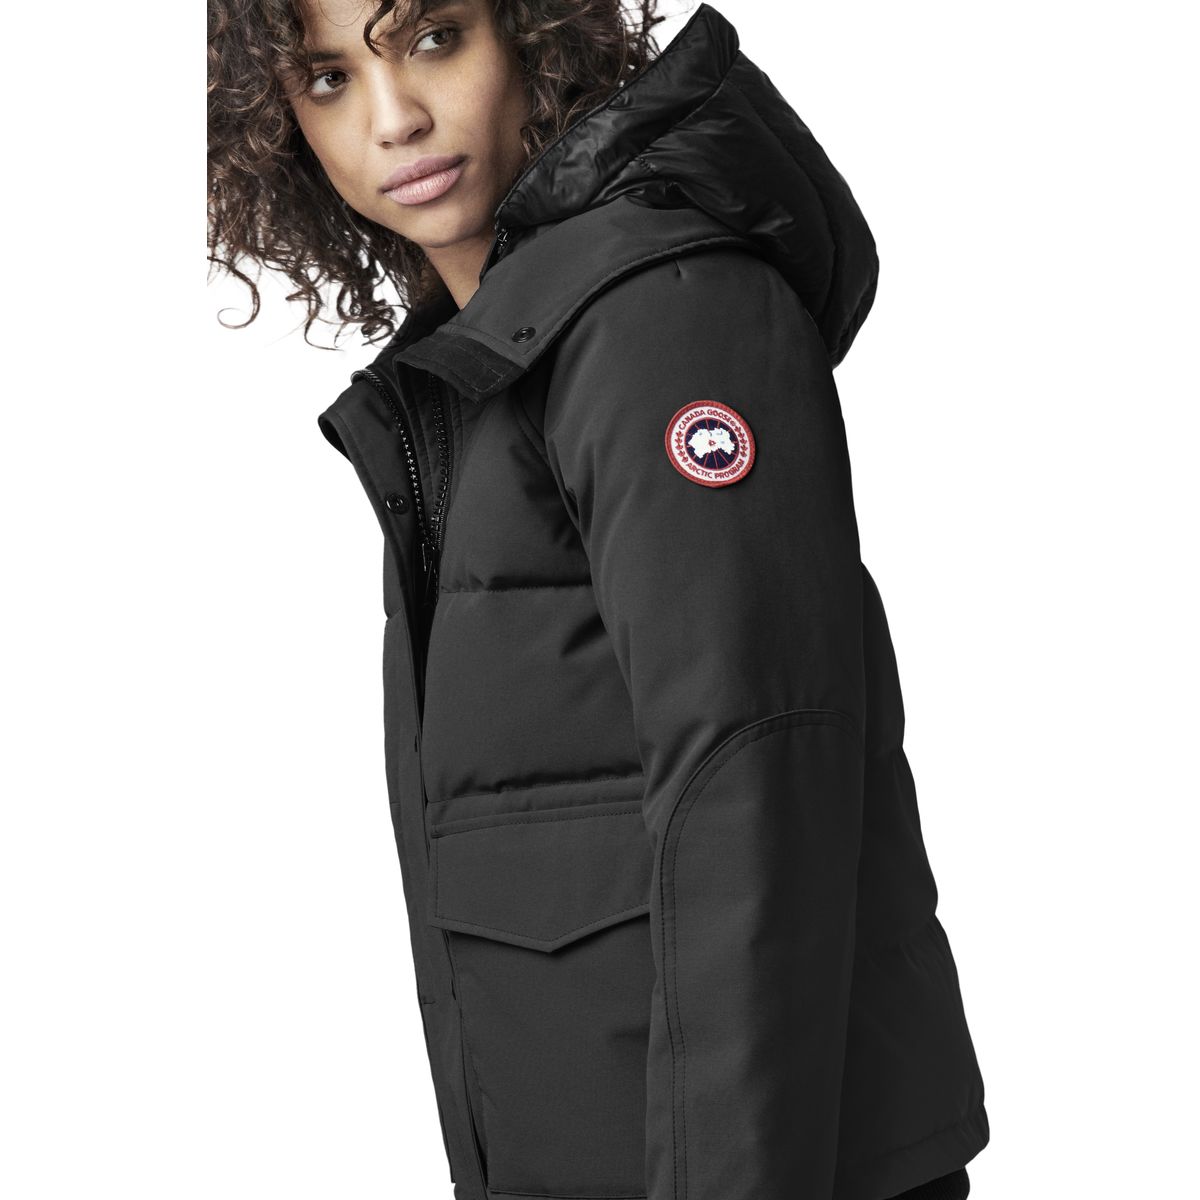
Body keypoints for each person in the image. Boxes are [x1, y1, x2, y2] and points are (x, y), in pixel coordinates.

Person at [207, 2, 991, 1197]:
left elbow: (753, 791)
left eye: (431, 38)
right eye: (326, 79)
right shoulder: (498, 351)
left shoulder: (660, 313)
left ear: (534, 33)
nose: (393, 118)